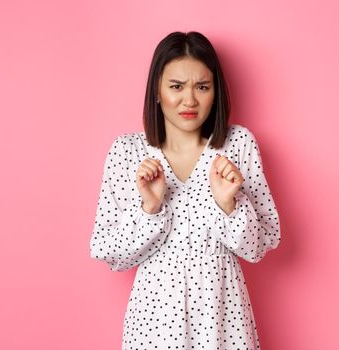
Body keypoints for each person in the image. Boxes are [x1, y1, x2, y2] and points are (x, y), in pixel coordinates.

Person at [90, 31, 282, 350]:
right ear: (157, 90)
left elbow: (262, 244)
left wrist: (228, 205)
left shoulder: (238, 145)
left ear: (215, 92)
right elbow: (106, 251)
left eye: (202, 87)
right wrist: (149, 210)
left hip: (223, 318)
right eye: (176, 86)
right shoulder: (127, 152)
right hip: (153, 323)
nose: (189, 100)